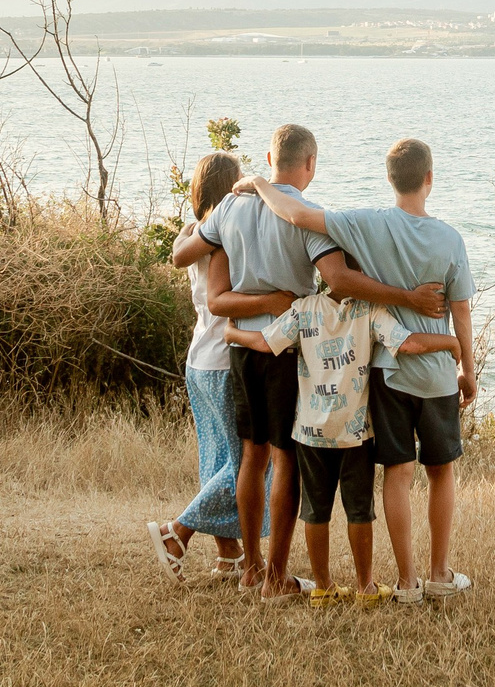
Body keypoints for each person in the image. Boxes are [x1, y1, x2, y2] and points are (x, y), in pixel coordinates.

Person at [171, 123, 443, 599]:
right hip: (284, 351)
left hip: (240, 350)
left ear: (268, 156)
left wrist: (226, 216)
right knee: (282, 459)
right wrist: (405, 297)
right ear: (310, 164)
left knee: (250, 458)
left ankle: (251, 568)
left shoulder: (230, 206)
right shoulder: (305, 216)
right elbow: (337, 280)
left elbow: (187, 255)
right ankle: (276, 577)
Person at [234, 136, 478, 600]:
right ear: (429, 178)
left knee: (399, 473)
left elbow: (298, 215)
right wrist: (467, 369)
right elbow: (461, 312)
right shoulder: (450, 238)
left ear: (390, 180)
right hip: (437, 376)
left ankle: (406, 582)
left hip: (388, 373)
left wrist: (260, 182)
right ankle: (440, 574)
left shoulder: (367, 224)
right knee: (441, 472)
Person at [224, 287, 458, 604]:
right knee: (359, 511)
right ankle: (365, 587)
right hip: (355, 431)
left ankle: (323, 587)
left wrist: (233, 333)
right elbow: (409, 343)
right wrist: (451, 342)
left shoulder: (303, 309)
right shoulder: (369, 311)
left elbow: (266, 343)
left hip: (309, 432)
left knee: (315, 511)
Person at [150, 151, 248, 582]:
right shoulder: (224, 237)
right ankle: (177, 532)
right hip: (225, 360)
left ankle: (228, 554)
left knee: (216, 458)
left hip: (197, 359)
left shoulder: (188, 233)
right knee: (243, 462)